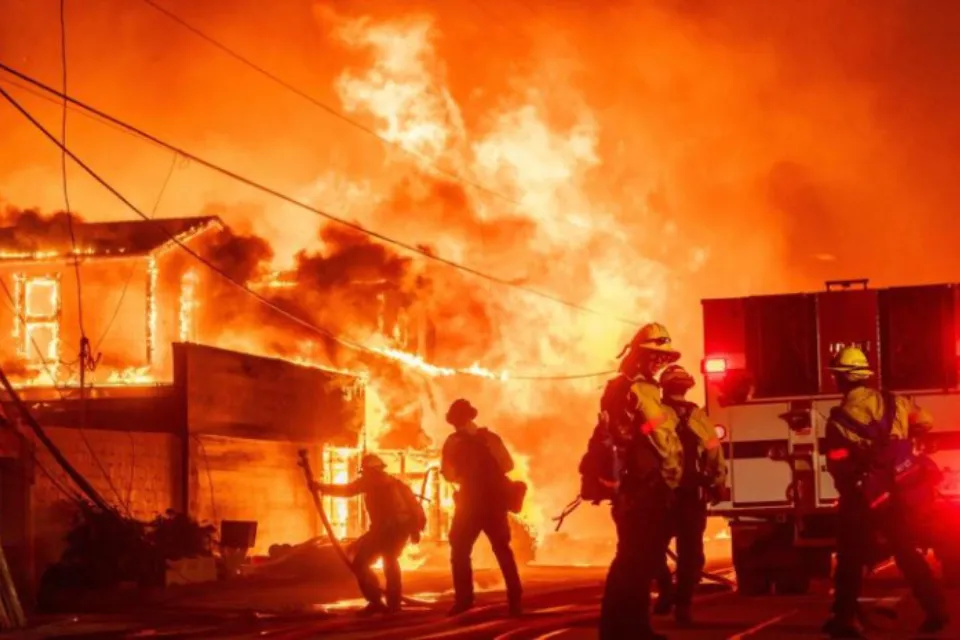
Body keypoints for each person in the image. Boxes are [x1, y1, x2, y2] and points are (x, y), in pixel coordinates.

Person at [821, 346, 948, 638]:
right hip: (901, 490)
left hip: (864, 497)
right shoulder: (894, 402)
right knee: (906, 552)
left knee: (850, 558)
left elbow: (838, 464)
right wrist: (897, 444)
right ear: (864, 375)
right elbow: (926, 421)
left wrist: (851, 489)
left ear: (840, 379)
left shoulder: (839, 419)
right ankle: (936, 609)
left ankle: (844, 618)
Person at [596, 322, 684, 640]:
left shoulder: (617, 388)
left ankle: (622, 628)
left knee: (631, 561)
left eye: (663, 358)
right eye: (655, 356)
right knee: (638, 562)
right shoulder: (641, 389)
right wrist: (674, 477)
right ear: (641, 357)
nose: (660, 363)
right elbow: (662, 437)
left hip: (628, 486)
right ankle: (630, 630)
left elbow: (634, 433)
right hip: (644, 488)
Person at [653, 364, 728, 626]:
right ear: (687, 387)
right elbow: (713, 451)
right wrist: (717, 480)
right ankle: (682, 606)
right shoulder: (699, 417)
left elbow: (641, 444)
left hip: (660, 493)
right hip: (691, 495)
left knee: (652, 547)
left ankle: (666, 592)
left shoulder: (655, 415)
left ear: (664, 387)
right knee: (690, 554)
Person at [312, 453, 425, 615]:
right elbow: (414, 507)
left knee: (362, 563)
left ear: (370, 470)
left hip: (387, 530)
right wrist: (415, 530)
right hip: (399, 530)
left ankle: (378, 602)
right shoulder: (396, 483)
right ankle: (392, 605)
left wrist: (321, 487)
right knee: (390, 562)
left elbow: (348, 490)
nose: (364, 474)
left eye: (365, 471)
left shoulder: (372, 481)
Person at [441, 398, 523, 617]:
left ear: (453, 421)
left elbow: (449, 474)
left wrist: (466, 478)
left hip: (469, 503)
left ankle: (464, 601)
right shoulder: (490, 438)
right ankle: (515, 600)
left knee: (459, 550)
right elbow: (508, 465)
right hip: (494, 503)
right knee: (503, 550)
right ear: (472, 417)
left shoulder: (453, 442)